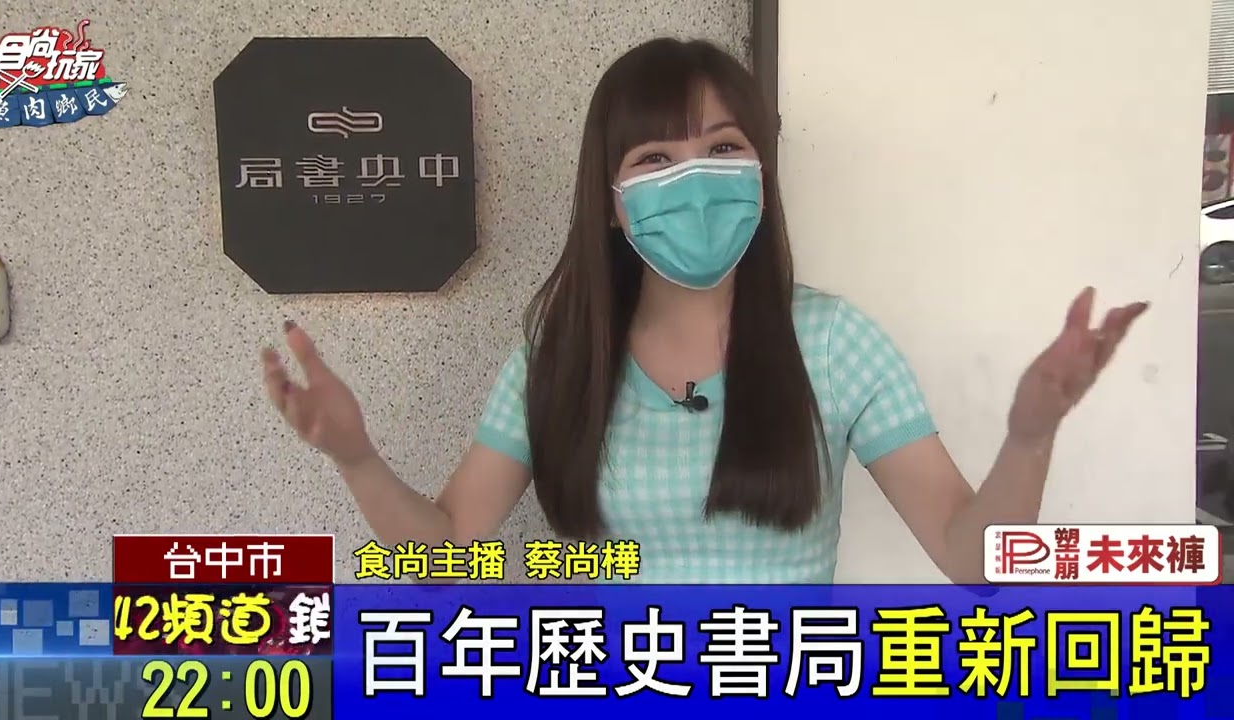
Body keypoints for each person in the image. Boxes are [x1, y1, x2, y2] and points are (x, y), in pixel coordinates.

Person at [261, 38, 1148, 584]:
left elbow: (969, 558)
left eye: (723, 148)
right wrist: (357, 457)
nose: (694, 180)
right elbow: (447, 553)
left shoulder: (834, 343)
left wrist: (1030, 434)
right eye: (654, 159)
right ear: (611, 202)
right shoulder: (559, 353)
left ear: (760, 174)